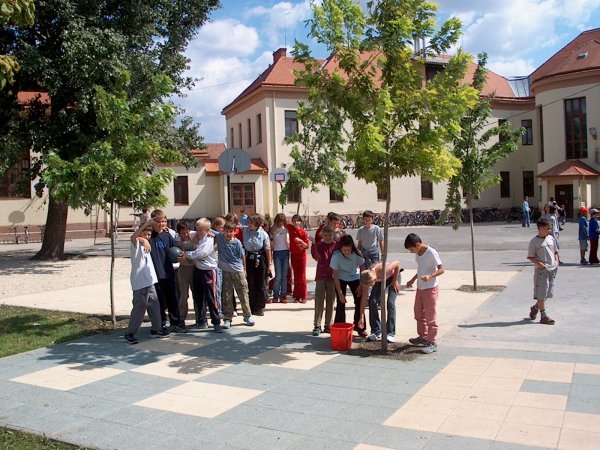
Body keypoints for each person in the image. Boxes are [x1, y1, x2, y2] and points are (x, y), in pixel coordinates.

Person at [124, 222, 168, 344]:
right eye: (145, 234)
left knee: (154, 304)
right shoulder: (136, 243)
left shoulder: (147, 242)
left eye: (149, 235)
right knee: (140, 307)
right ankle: (130, 333)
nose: (147, 237)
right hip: (140, 281)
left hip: (150, 280)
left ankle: (156, 329)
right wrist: (146, 226)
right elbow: (134, 237)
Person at [404, 233, 444, 353]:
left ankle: (432, 342)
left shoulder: (431, 252)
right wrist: (412, 279)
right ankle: (423, 336)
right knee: (418, 313)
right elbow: (420, 269)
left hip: (430, 288)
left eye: (412, 250)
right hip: (420, 288)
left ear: (418, 245)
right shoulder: (418, 253)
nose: (411, 252)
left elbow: (441, 269)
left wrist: (430, 276)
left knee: (430, 316)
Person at [148, 210, 185, 332]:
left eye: (164, 221)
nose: (161, 224)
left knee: (173, 299)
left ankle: (175, 323)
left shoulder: (167, 236)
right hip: (156, 274)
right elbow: (136, 237)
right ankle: (161, 324)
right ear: (153, 221)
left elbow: (174, 251)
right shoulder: (149, 236)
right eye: (158, 221)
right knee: (159, 301)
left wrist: (180, 256)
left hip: (169, 272)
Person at [183, 218, 222, 333]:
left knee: (211, 297)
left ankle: (216, 322)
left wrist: (187, 254)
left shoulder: (208, 240)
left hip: (208, 271)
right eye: (197, 229)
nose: (198, 232)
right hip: (198, 270)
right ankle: (202, 321)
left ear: (207, 230)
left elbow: (200, 253)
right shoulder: (196, 234)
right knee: (198, 297)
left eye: (201, 230)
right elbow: (186, 233)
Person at [215, 221, 254, 328]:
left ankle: (247, 315)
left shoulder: (237, 243)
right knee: (226, 296)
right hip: (225, 271)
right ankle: (228, 318)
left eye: (231, 231)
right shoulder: (219, 238)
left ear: (234, 232)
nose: (228, 234)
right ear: (223, 231)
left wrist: (244, 269)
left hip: (237, 271)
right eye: (226, 231)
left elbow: (242, 256)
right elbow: (209, 230)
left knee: (243, 293)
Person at [331, 235, 366, 337]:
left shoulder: (357, 254)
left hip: (355, 277)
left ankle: (360, 326)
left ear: (352, 247)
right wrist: (340, 293)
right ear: (340, 248)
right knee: (340, 302)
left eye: (349, 250)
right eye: (344, 250)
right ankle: (339, 326)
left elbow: (363, 269)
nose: (346, 252)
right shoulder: (336, 256)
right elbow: (335, 275)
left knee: (359, 301)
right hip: (341, 277)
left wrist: (361, 285)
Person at [360, 260, 402, 343]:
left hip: (393, 276)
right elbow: (364, 298)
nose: (370, 287)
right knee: (372, 301)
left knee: (390, 303)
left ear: (374, 279)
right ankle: (376, 331)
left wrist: (395, 281)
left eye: (371, 284)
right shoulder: (366, 277)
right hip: (380, 279)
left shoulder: (383, 270)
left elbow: (397, 263)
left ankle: (390, 333)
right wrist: (361, 316)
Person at [527, 217, 559, 325]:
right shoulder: (534, 242)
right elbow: (530, 256)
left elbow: (555, 252)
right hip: (541, 271)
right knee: (542, 292)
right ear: (540, 228)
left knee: (548, 292)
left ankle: (535, 307)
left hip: (552, 269)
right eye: (547, 228)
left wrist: (557, 261)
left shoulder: (551, 238)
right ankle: (543, 316)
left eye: (550, 228)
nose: (549, 230)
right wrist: (540, 265)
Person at [243, 214, 272, 316]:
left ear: (257, 223)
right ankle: (251, 306)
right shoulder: (245, 231)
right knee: (250, 283)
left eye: (251, 222)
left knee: (261, 283)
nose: (249, 224)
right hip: (249, 259)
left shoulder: (263, 234)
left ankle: (259, 307)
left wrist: (269, 265)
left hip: (260, 259)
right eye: (248, 222)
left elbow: (268, 249)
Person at [311, 226, 338, 336]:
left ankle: (328, 325)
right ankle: (317, 325)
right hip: (321, 276)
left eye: (330, 235)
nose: (328, 237)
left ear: (333, 235)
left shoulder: (336, 245)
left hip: (332, 277)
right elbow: (315, 256)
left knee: (331, 302)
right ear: (322, 236)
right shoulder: (319, 246)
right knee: (319, 301)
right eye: (325, 235)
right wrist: (313, 244)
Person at [175, 221, 198, 327]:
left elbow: (208, 231)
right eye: (183, 233)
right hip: (183, 269)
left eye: (187, 232)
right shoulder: (176, 240)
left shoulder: (195, 236)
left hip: (195, 268)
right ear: (179, 233)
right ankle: (181, 318)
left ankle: (199, 319)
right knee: (183, 295)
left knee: (197, 294)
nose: (186, 234)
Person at [287, 214, 310, 303]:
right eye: (294, 221)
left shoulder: (303, 232)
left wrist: (300, 241)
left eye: (297, 221)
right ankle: (296, 295)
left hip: (301, 256)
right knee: (296, 276)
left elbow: (307, 246)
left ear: (300, 222)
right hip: (293, 255)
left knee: (302, 276)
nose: (296, 222)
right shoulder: (290, 228)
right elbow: (283, 221)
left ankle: (303, 296)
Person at [270, 213, 290, 303]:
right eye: (279, 221)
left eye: (282, 221)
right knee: (278, 275)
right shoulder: (273, 228)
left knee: (284, 275)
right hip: (277, 252)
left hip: (285, 252)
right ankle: (276, 295)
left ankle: (283, 295)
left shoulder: (286, 228)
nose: (281, 223)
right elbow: (270, 238)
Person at [211, 216, 225, 317]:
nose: (223, 229)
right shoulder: (212, 235)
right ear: (215, 226)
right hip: (215, 264)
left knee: (221, 287)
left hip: (220, 263)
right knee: (217, 288)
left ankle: (220, 308)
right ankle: (218, 310)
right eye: (221, 227)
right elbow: (213, 248)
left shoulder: (219, 235)